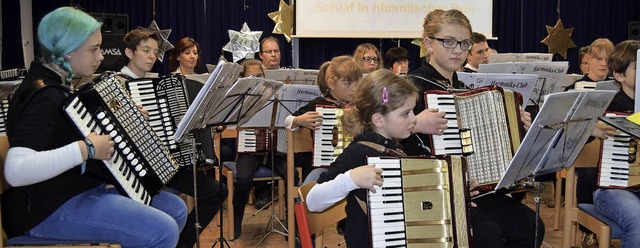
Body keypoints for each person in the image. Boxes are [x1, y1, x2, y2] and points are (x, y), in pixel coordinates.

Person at [1, 7, 187, 247]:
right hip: (44, 209)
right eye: (94, 49)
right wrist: (86, 148)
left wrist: (124, 121)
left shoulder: (56, 86)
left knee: (174, 207)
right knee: (162, 229)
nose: (100, 57)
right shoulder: (43, 96)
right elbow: (16, 171)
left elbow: (65, 133)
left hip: (73, 192)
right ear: (67, 51)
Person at [404, 9, 541, 248]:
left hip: (474, 186)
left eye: (464, 43)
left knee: (530, 225)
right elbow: (379, 135)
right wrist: (414, 124)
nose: (457, 49)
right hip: (431, 188)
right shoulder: (409, 86)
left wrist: (515, 125)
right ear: (428, 43)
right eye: (448, 42)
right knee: (487, 233)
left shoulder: (464, 87)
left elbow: (481, 139)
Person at [305, 69, 418, 246]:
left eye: (412, 111)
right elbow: (312, 201)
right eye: (406, 113)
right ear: (379, 120)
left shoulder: (395, 147)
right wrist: (350, 179)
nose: (414, 119)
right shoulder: (358, 152)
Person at [591, 40, 640, 248]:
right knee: (638, 221)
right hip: (614, 189)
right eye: (638, 68)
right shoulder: (609, 106)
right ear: (619, 76)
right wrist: (592, 128)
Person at [285, 55, 363, 182]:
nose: (354, 89)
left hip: (357, 167)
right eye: (348, 84)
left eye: (357, 83)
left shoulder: (362, 106)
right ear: (331, 84)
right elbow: (288, 120)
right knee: (309, 187)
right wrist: (298, 120)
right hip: (326, 167)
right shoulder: (319, 104)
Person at [233, 58, 288, 238]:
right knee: (243, 178)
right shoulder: (239, 100)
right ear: (243, 79)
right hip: (250, 149)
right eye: (251, 77)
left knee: (292, 176)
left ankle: (293, 225)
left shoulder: (277, 97)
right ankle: (235, 222)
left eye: (260, 76)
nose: (257, 81)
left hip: (274, 150)